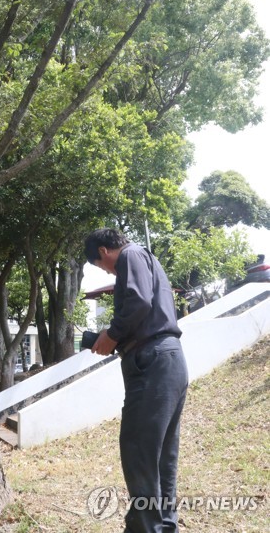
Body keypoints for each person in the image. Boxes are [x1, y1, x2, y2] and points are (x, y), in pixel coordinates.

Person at [84, 228, 188, 533]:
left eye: (101, 265)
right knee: (160, 459)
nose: (107, 270)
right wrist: (108, 339)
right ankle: (162, 527)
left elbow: (138, 301)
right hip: (166, 361)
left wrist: (112, 334)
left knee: (138, 452)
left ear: (103, 252)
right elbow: (143, 308)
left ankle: (147, 529)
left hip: (152, 362)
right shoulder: (147, 260)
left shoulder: (130, 254)